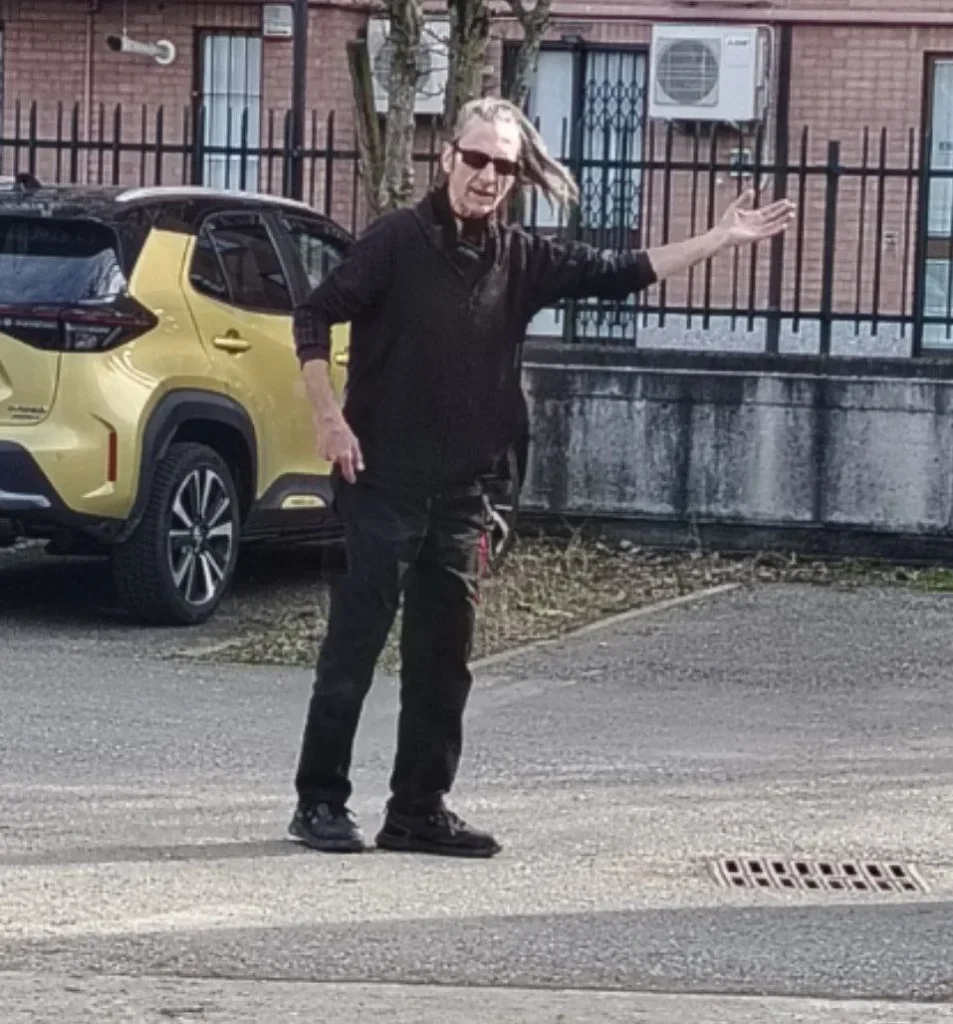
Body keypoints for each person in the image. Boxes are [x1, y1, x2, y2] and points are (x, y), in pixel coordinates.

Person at [288, 96, 796, 858]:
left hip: (462, 494)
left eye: (503, 165)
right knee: (353, 651)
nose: (487, 175)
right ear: (446, 158)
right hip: (381, 483)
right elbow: (312, 315)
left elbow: (622, 272)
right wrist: (328, 417)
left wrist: (719, 238)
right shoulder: (394, 242)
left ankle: (417, 811)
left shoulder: (520, 259)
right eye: (476, 159)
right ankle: (320, 803)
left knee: (442, 666)